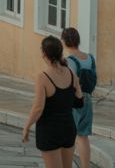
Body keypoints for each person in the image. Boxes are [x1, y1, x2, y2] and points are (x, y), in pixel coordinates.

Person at [22, 36, 83, 168]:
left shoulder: (42, 77)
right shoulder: (71, 73)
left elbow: (38, 108)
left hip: (50, 130)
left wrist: (27, 126)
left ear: (44, 53)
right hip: (68, 128)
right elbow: (79, 101)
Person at [62, 28, 95, 168]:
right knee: (83, 136)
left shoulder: (69, 60)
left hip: (74, 101)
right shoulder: (90, 58)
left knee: (68, 137)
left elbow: (67, 83)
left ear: (64, 41)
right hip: (88, 99)